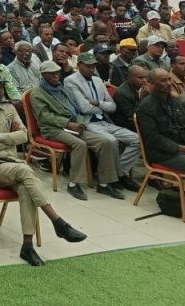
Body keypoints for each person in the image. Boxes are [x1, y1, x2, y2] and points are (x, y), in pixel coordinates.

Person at [0, 70, 87, 266]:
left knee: (26, 188)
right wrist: (9, 138)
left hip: (11, 163)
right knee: (25, 171)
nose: (0, 90)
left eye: (1, 86)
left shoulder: (8, 107)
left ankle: (27, 246)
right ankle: (58, 222)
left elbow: (24, 135)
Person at [29, 61, 122, 201]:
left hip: (71, 125)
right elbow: (45, 117)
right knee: (79, 144)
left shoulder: (60, 88)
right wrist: (68, 123)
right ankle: (73, 184)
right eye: (52, 73)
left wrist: (79, 122)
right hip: (52, 129)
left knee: (105, 141)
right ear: (43, 75)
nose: (56, 76)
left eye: (57, 72)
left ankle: (104, 184)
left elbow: (74, 108)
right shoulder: (37, 93)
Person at [64, 52, 141, 191]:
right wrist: (102, 106)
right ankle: (112, 179)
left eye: (93, 66)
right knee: (111, 140)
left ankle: (120, 172)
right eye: (88, 66)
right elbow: (84, 108)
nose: (91, 69)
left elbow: (113, 106)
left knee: (137, 140)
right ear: (79, 65)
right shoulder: (71, 81)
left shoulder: (98, 80)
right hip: (87, 122)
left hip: (105, 121)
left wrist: (98, 103)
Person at [135, 68, 185, 197]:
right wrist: (182, 148)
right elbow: (153, 138)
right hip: (164, 154)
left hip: (184, 148)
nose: (169, 83)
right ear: (152, 83)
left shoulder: (175, 102)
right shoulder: (146, 107)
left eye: (169, 79)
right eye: (163, 80)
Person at [112, 65, 147, 130]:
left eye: (145, 77)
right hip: (126, 124)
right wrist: (142, 98)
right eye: (140, 78)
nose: (144, 80)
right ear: (129, 77)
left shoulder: (142, 88)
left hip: (140, 120)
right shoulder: (122, 93)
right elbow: (133, 115)